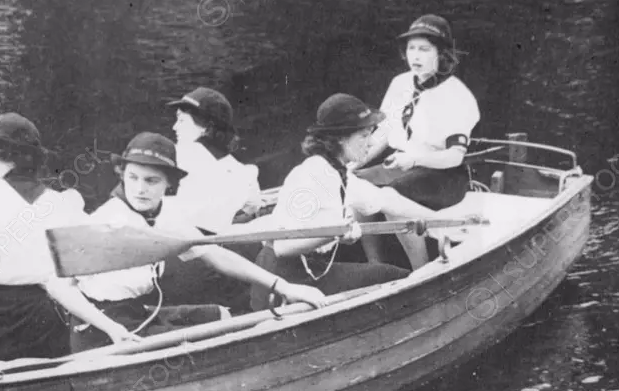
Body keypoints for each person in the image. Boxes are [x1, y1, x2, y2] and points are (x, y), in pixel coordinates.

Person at [70, 132, 326, 352]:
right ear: (122, 175)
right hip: (101, 329)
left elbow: (215, 255)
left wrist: (284, 287)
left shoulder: (164, 214)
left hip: (137, 312)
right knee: (215, 344)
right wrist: (111, 329)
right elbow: (59, 286)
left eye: (151, 181)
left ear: (169, 183)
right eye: (133, 178)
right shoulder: (106, 219)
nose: (139, 189)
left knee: (221, 315)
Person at [0, 113, 137, 361]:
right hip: (39, 325)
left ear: (11, 159)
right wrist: (112, 328)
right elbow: (58, 286)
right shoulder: (57, 204)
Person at [246, 93, 438, 306]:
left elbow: (387, 200)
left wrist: (446, 218)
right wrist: (337, 233)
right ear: (339, 138)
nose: (371, 142)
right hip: (283, 284)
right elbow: (283, 247)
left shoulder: (338, 172)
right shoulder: (311, 175)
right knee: (395, 278)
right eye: (364, 136)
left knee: (391, 275)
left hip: (312, 272)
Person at [354, 14, 480, 265]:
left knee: (390, 195)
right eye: (411, 48)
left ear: (442, 54)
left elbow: (455, 157)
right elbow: (384, 133)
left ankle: (420, 270)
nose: (416, 56)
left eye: (424, 49)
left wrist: (413, 160)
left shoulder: (457, 95)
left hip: (444, 176)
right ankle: (376, 266)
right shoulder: (399, 83)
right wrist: (355, 162)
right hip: (400, 167)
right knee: (356, 188)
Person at [168, 87, 263, 233]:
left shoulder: (179, 155)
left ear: (206, 127)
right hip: (214, 246)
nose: (175, 127)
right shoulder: (243, 172)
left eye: (181, 120)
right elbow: (254, 205)